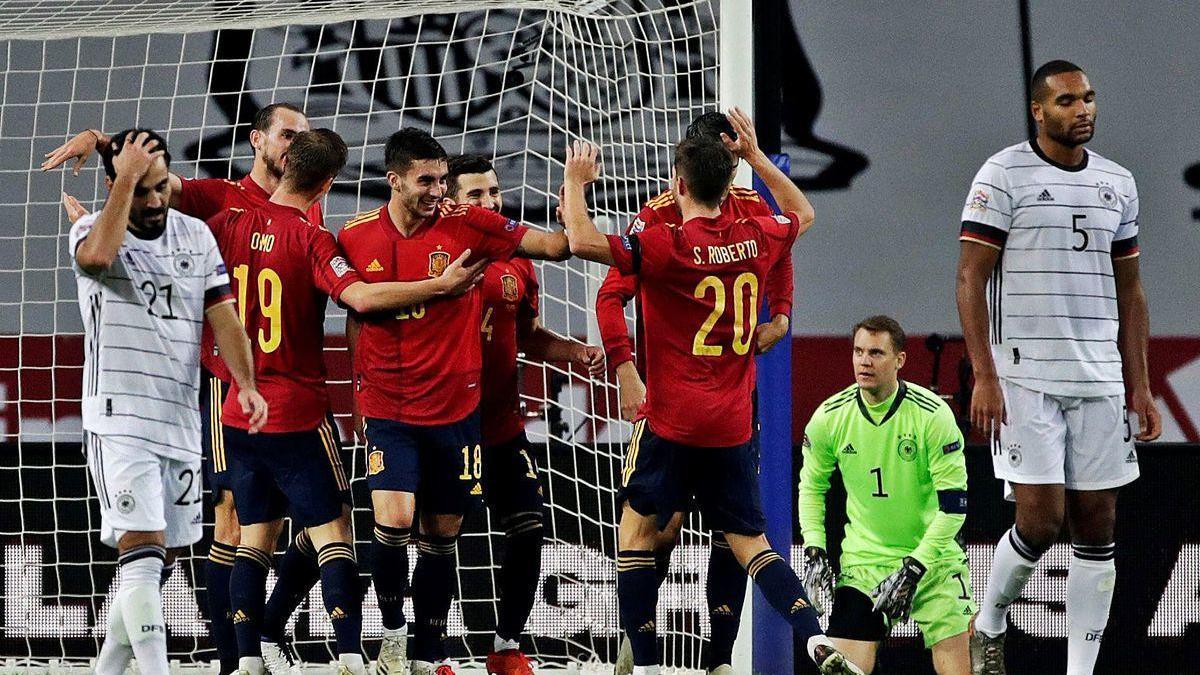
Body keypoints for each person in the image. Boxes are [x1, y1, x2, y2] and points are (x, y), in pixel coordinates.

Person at [559, 135, 860, 675]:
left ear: (678, 182)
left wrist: (577, 181)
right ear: (731, 182)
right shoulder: (757, 231)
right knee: (751, 541)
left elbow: (580, 240)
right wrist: (759, 158)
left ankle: (648, 665)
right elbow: (803, 214)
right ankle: (814, 637)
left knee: (637, 529)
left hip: (672, 416)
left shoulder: (663, 240)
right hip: (732, 420)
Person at [45, 103, 323, 674]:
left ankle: (259, 634)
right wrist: (103, 144)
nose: (297, 144)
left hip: (278, 393)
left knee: (310, 519)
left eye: (305, 136)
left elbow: (225, 308)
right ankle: (233, 657)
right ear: (257, 141)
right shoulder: (219, 198)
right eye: (288, 134)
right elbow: (151, 178)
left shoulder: (307, 214)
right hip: (200, 394)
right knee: (221, 525)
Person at [206, 129, 486, 675]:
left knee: (252, 535)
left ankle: (245, 659)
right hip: (295, 406)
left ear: (284, 164)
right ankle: (353, 655)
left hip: (237, 408)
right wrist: (439, 287)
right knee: (334, 531)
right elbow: (357, 296)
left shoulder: (228, 224)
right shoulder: (315, 238)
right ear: (330, 182)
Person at [337, 128, 571, 675]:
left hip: (456, 414)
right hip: (390, 410)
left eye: (443, 181)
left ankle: (428, 654)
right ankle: (392, 634)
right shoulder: (355, 235)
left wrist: (574, 193)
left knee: (442, 539)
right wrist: (360, 391)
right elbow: (355, 312)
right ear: (393, 181)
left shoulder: (471, 226)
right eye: (426, 181)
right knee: (393, 523)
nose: (437, 191)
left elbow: (554, 247)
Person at [955, 60, 1161, 675]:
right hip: (1025, 376)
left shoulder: (1118, 183)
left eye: (1090, 98)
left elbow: (1132, 292)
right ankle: (989, 621)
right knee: (1041, 522)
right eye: (1069, 101)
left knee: (1098, 526)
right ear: (1039, 112)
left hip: (1098, 378)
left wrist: (1140, 385)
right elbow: (971, 278)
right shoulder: (1002, 174)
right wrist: (985, 375)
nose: (1085, 110)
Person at [70, 129, 268, 675]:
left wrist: (245, 382)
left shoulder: (196, 235)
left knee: (156, 562)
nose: (155, 201)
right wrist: (124, 178)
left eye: (161, 188)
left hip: (180, 424)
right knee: (141, 552)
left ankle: (106, 670)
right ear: (116, 186)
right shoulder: (91, 230)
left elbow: (223, 317)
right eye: (141, 190)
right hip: (119, 421)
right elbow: (97, 260)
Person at [444, 154, 605, 675]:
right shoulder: (436, 249)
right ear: (450, 200)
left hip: (502, 425)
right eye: (476, 195)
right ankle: (430, 652)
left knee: (530, 528)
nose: (490, 203)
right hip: (448, 422)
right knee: (439, 537)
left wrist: (573, 351)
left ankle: (507, 645)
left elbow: (529, 337)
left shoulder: (517, 262)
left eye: (494, 193)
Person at [799, 316, 972, 675]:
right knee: (845, 670)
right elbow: (812, 487)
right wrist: (814, 548)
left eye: (876, 353)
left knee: (959, 665)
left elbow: (954, 508)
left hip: (933, 561)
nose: (865, 361)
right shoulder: (830, 417)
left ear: (900, 360)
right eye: (859, 351)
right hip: (865, 563)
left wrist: (916, 566)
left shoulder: (933, 416)